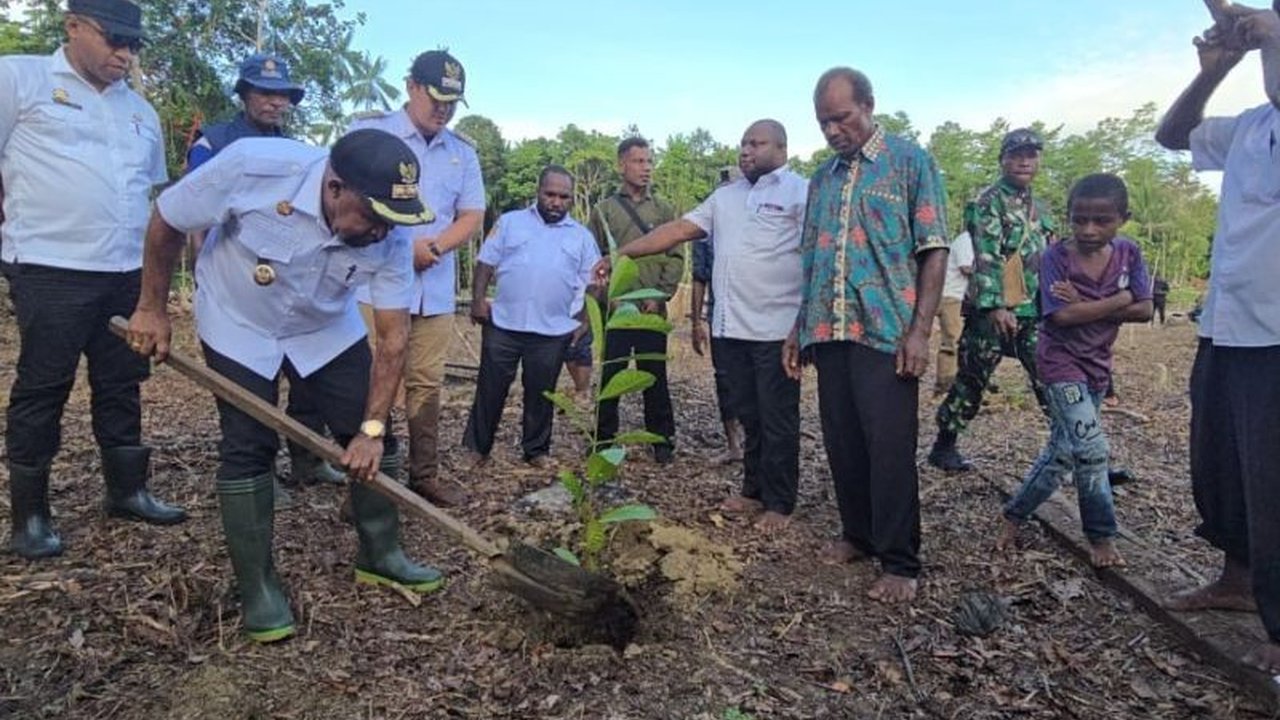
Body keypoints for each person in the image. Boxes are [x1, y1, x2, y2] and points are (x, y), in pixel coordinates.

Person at [126, 128, 442, 643]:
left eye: (392, 220)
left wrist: (371, 428)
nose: (383, 232)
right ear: (335, 187)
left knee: (369, 431)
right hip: (238, 321)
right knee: (249, 445)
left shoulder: (392, 230)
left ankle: (381, 554)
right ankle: (258, 587)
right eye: (373, 216)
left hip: (323, 326)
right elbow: (167, 219)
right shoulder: (255, 166)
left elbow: (392, 340)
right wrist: (151, 308)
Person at [1, 0, 187, 560]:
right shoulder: (19, 78)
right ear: (74, 26)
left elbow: (147, 192)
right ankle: (30, 516)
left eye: (134, 46)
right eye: (113, 41)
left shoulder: (141, 112)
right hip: (50, 268)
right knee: (42, 387)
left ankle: (127, 490)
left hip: (124, 272)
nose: (124, 55)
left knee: (121, 383)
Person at [783, 68, 949, 603]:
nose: (833, 130)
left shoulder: (909, 161)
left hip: (886, 331)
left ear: (869, 105)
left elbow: (934, 248)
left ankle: (900, 559)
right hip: (829, 329)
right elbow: (811, 257)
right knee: (843, 440)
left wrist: (920, 331)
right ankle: (858, 533)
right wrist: (797, 327)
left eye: (842, 117)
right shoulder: (822, 178)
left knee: (889, 448)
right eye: (824, 121)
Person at [599, 120, 807, 533]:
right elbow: (676, 231)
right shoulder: (725, 197)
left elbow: (816, 256)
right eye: (743, 143)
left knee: (777, 416)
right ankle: (753, 491)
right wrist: (623, 254)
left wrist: (803, 325)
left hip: (775, 330)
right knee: (749, 413)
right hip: (731, 328)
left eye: (756, 143)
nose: (745, 151)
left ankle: (780, 503)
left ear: (782, 148)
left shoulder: (801, 193)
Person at [1154, 1, 1280, 674]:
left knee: (1273, 477)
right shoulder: (1254, 125)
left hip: (1277, 335)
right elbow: (1173, 136)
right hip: (1228, 326)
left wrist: (1266, 28)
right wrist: (1214, 71)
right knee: (1221, 466)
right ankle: (1237, 580)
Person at [186, 52, 346, 492]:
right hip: (236, 280)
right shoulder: (215, 143)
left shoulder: (300, 152)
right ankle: (256, 474)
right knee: (251, 386)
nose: (275, 104)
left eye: (283, 97)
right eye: (265, 93)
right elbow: (195, 212)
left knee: (307, 378)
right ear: (244, 94)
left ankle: (308, 458)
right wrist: (202, 268)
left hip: (292, 285)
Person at [349, 49, 485, 507]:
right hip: (374, 283)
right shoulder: (370, 134)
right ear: (411, 87)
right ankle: (367, 480)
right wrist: (403, 248)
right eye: (436, 97)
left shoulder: (461, 152)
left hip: (435, 289)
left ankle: (423, 474)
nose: (443, 109)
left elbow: (471, 213)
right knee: (372, 378)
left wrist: (436, 247)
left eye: (452, 101)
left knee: (426, 383)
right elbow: (348, 200)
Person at [996, 173, 1153, 568]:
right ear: (1068, 216)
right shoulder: (1056, 257)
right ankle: (1101, 535)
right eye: (1079, 219)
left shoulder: (1129, 254)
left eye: (1101, 221)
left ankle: (1014, 514)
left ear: (1123, 218)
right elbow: (1063, 317)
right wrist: (1118, 298)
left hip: (1097, 365)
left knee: (1063, 453)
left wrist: (1088, 300)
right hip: (1060, 364)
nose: (1088, 229)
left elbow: (1146, 309)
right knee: (1091, 448)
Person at [928, 129, 1055, 472]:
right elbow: (985, 255)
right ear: (1002, 160)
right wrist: (996, 304)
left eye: (1031, 155)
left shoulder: (1039, 206)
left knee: (1049, 377)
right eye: (1016, 155)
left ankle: (1080, 450)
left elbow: (1049, 253)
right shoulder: (987, 201)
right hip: (993, 313)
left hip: (1033, 309)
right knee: (972, 378)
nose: (1024, 161)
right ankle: (944, 444)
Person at [463, 166, 599, 468]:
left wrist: (585, 320)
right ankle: (476, 448)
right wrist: (476, 300)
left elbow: (593, 282)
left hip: (553, 329)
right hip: (504, 323)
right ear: (538, 192)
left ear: (572, 200)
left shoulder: (582, 237)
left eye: (563, 197)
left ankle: (536, 450)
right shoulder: (509, 223)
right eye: (550, 194)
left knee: (541, 392)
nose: (556, 202)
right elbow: (486, 263)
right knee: (490, 387)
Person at [590, 137, 680, 464]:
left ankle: (662, 441)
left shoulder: (664, 209)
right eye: (639, 162)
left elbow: (676, 257)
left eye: (649, 162)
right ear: (621, 165)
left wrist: (659, 296)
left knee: (654, 376)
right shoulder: (604, 211)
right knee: (612, 375)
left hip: (651, 310)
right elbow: (594, 257)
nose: (646, 169)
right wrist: (607, 297)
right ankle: (603, 440)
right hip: (616, 311)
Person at [691, 166, 745, 465]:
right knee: (724, 378)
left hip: (755, 315)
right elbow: (699, 276)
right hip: (720, 315)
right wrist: (696, 320)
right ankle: (733, 443)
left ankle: (755, 442)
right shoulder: (705, 231)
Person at [935, 231, 975, 395]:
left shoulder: (973, 239)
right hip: (951, 296)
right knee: (953, 342)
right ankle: (946, 386)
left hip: (957, 296)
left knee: (957, 341)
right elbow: (966, 268)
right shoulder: (966, 240)